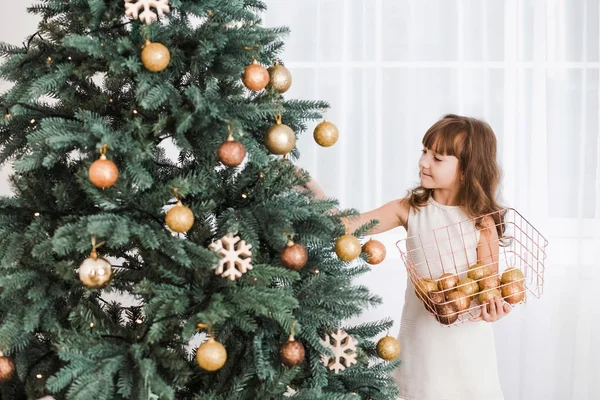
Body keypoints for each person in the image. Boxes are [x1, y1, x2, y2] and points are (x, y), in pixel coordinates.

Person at [304, 114, 510, 400]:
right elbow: (348, 225)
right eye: (424, 151)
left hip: (466, 349)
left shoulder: (481, 222)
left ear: (466, 170)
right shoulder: (410, 209)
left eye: (438, 158)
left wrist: (493, 307)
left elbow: (488, 286)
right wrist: (312, 189)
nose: (424, 162)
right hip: (421, 342)